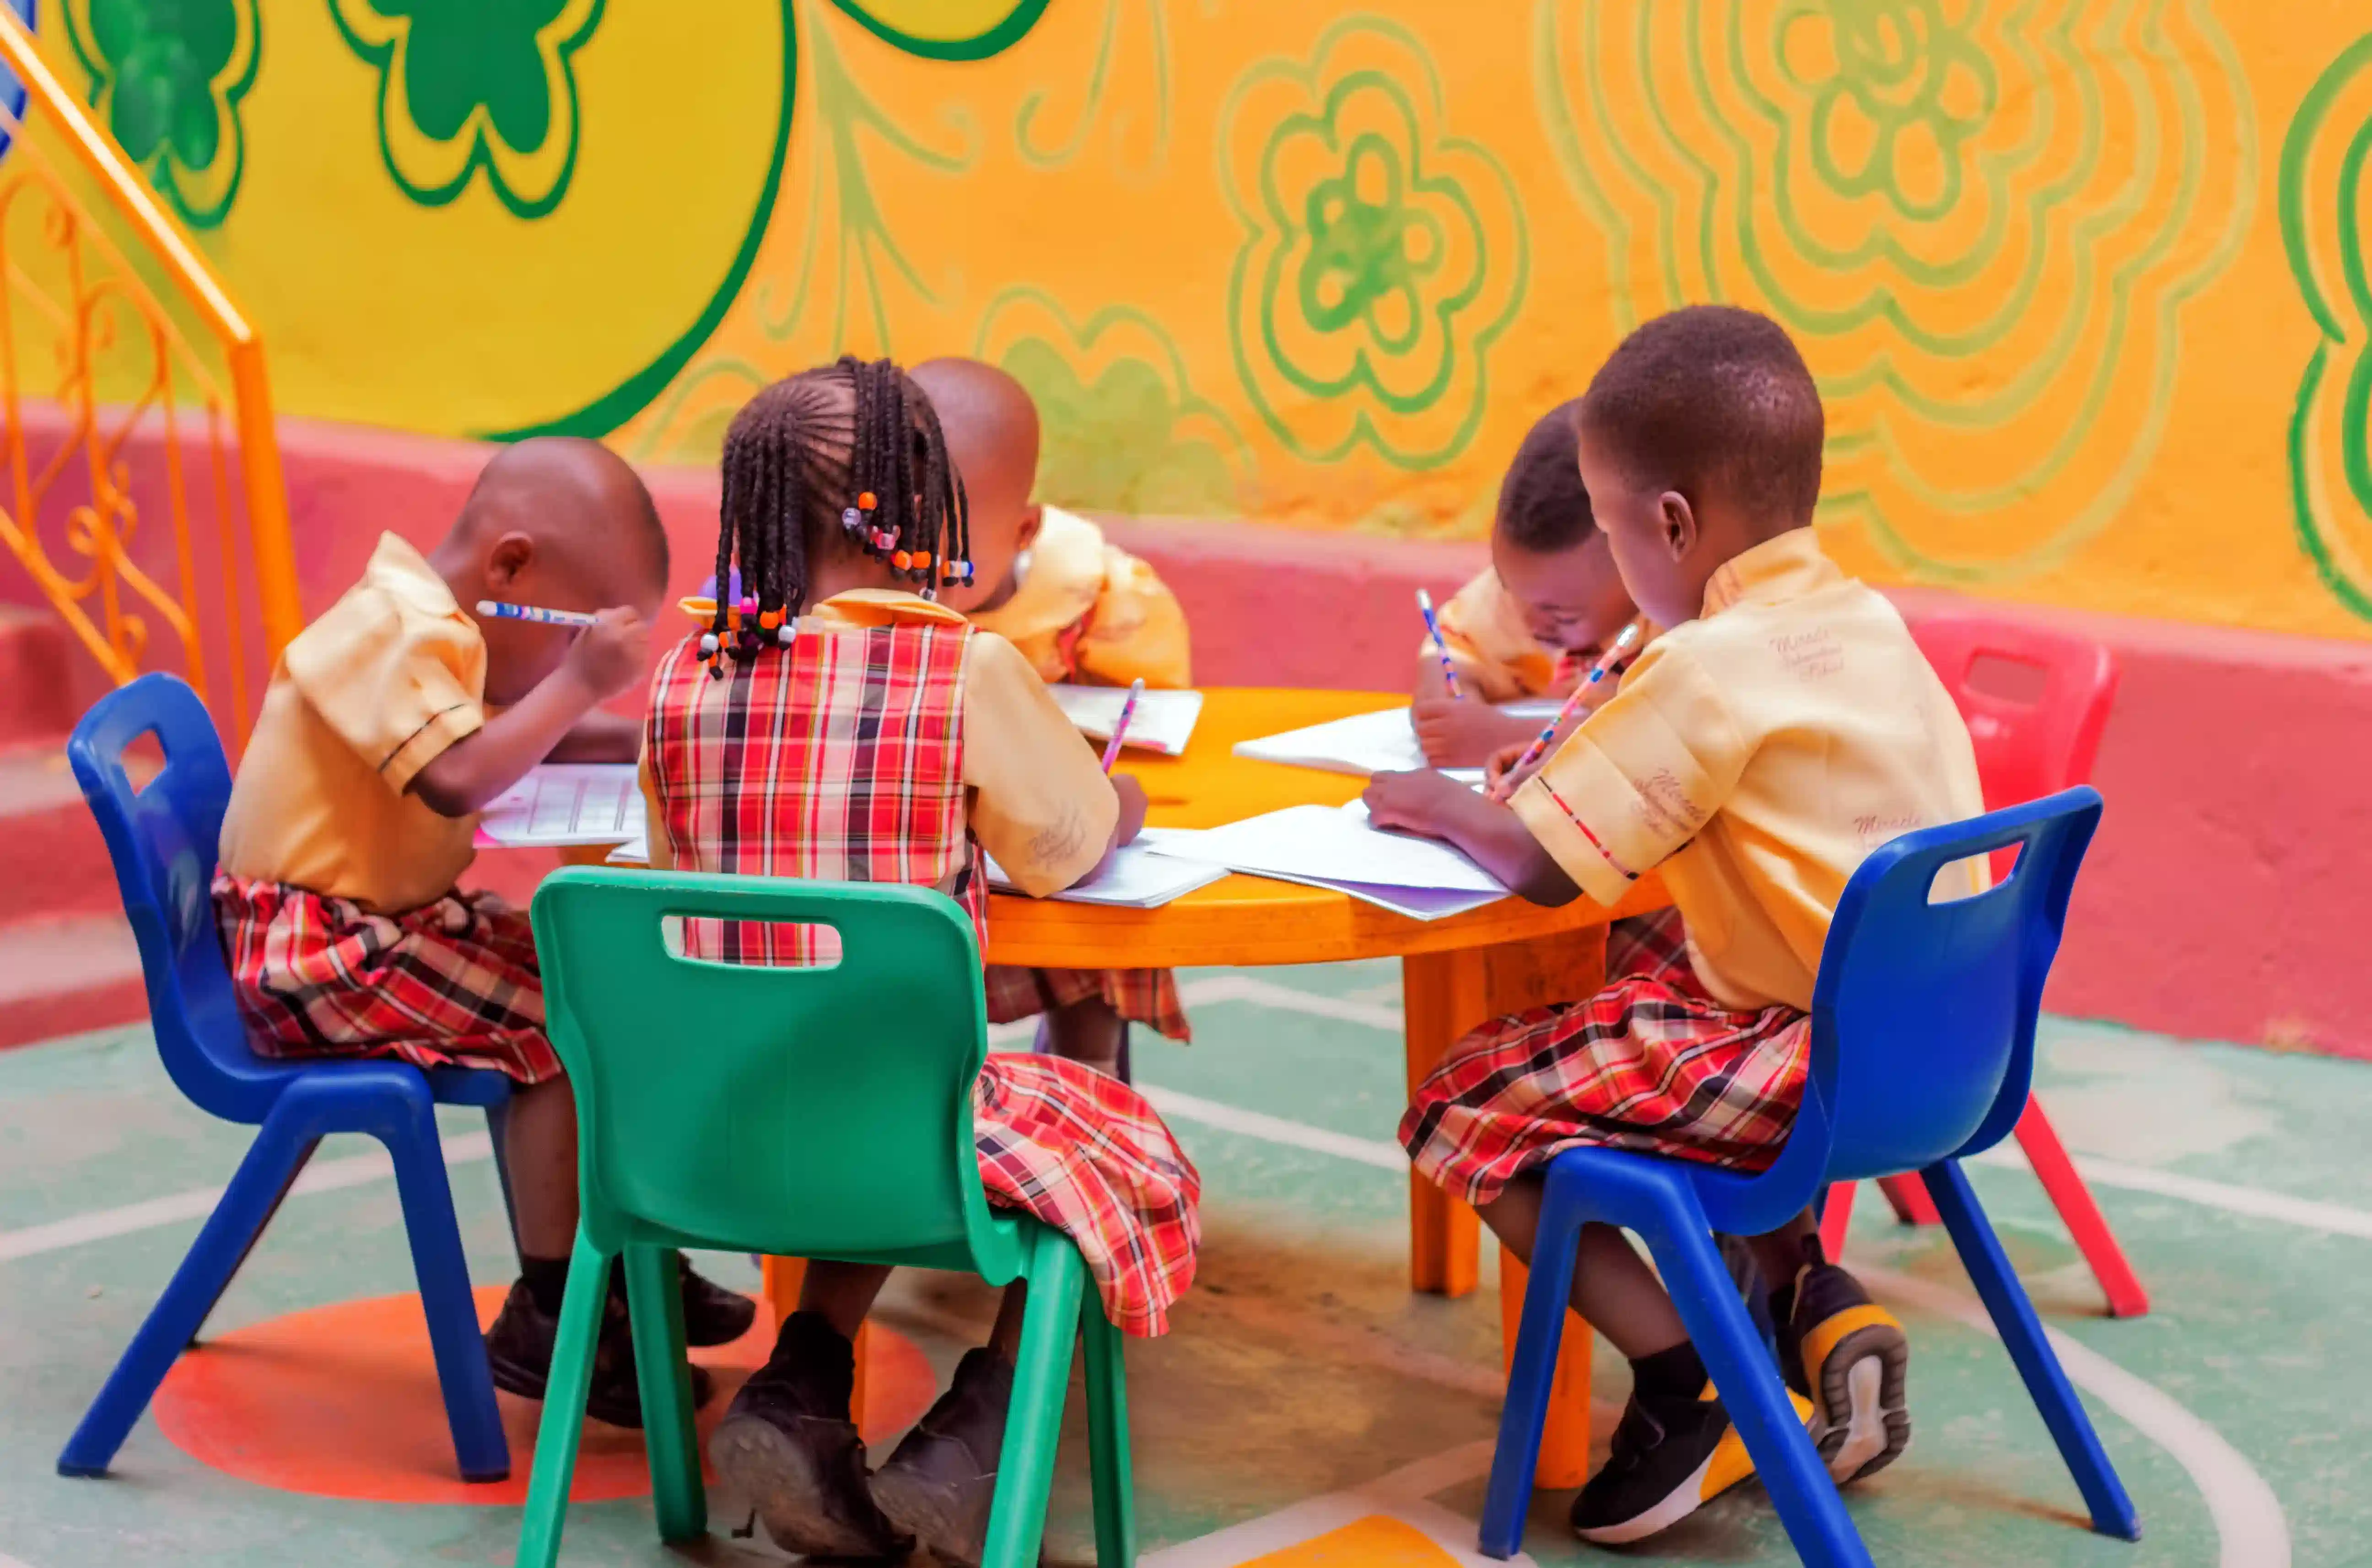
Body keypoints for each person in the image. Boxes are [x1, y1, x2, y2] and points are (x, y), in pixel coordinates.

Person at [1362, 306, 1984, 1544]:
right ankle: (1803, 1293)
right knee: (1647, 963)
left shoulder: (1701, 666)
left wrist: (1433, 800)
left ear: (1673, 525)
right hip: (1944, 1057)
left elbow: (1541, 863)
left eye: (1605, 525)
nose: (1609, 551)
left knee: (1458, 1106)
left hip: (1807, 1068)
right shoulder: (1867, 619)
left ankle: (1689, 1374)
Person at [642, 357, 1199, 1568]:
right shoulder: (965, 672)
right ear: (917, 518)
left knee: (875, 1085)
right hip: (892, 1123)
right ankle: (980, 1429)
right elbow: (1067, 846)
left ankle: (799, 1383)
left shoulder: (685, 676)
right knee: (1119, 1139)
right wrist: (1122, 796)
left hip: (698, 1136)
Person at [212, 438, 754, 1427]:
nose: (559, 670)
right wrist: (582, 683)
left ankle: (627, 1260)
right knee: (558, 1028)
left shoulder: (440, 627)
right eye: (565, 640)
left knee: (596, 983)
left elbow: (518, 723)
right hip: (318, 949)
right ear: (509, 569)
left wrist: (670, 730)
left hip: (383, 922)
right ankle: (551, 1317)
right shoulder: (393, 629)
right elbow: (459, 772)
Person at [911, 354, 1192, 1076]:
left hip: (1042, 821)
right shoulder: (861, 599)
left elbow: (1154, 710)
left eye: (951, 570)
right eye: (908, 561)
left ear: (1027, 529)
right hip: (940, 839)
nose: (926, 590)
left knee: (1101, 898)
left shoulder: (1095, 591)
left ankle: (1086, 1066)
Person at [1413, 399, 1641, 769]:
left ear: (1644, 566)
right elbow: (1451, 651)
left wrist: (1505, 737)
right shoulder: (1532, 593)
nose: (1531, 623)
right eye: (1508, 587)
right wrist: (1451, 708)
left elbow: (1662, 741)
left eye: (1562, 615)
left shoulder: (1684, 621)